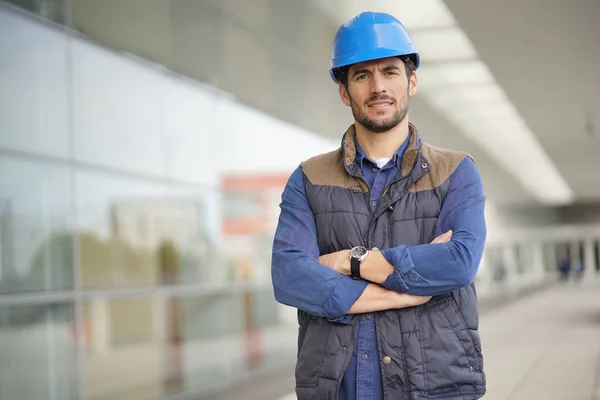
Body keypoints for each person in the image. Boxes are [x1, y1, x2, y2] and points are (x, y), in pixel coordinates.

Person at [271, 11, 487, 400]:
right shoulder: (308, 179)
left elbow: (458, 262)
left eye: (389, 72)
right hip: (339, 388)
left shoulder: (456, 172)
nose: (377, 87)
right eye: (361, 76)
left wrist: (349, 262)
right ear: (344, 91)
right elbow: (289, 275)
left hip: (433, 386)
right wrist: (406, 291)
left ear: (412, 81)